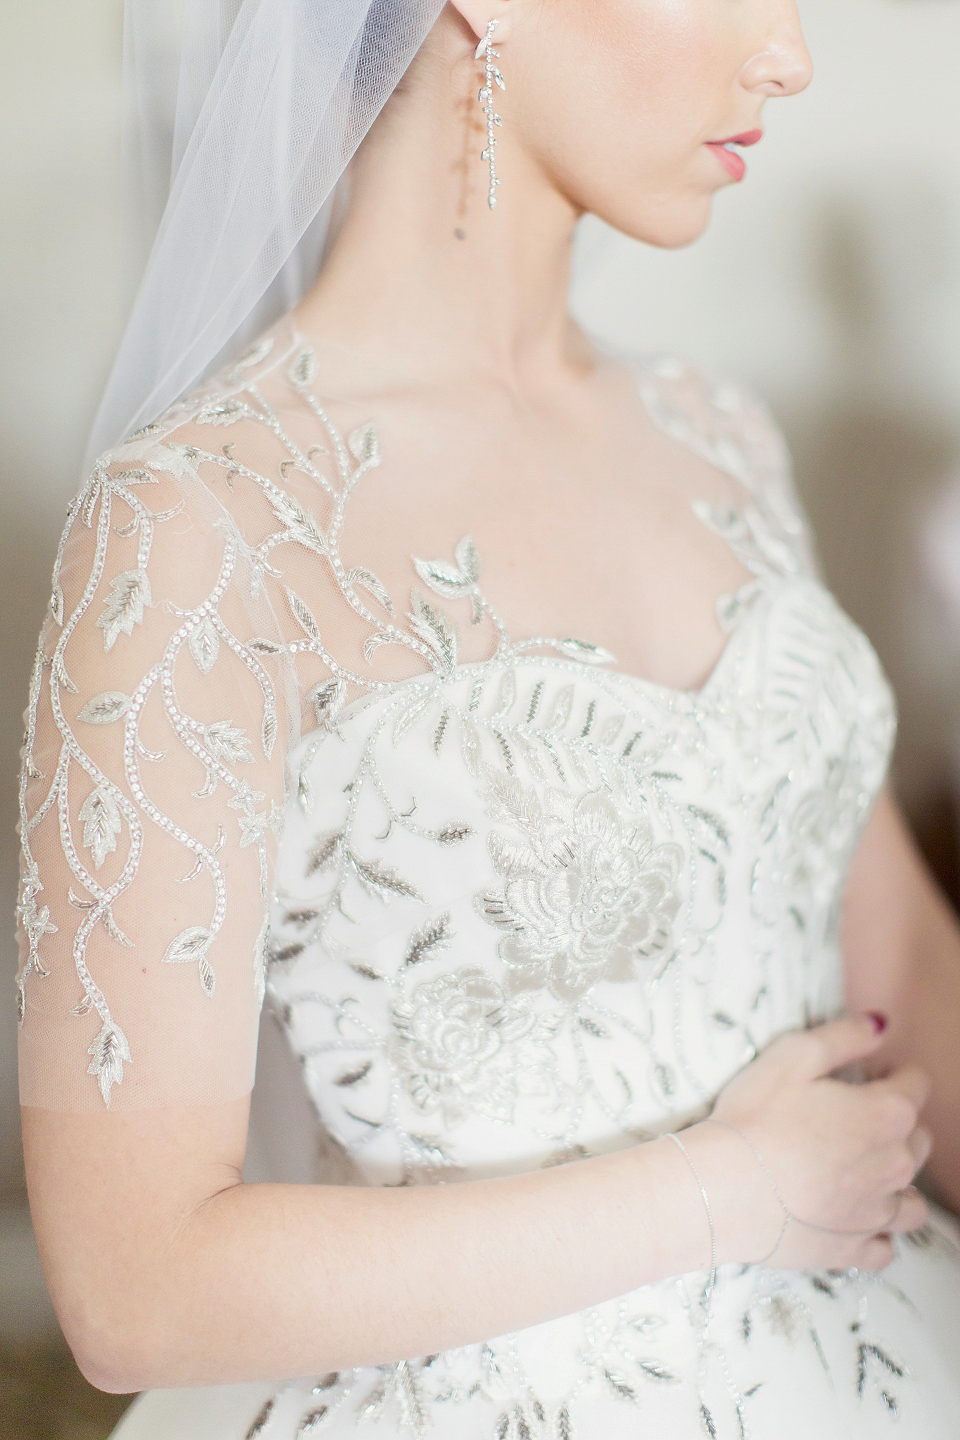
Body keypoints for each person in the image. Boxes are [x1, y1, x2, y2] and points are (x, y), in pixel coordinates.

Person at [16, 2, 960, 1436]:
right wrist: (729, 1191)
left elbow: (891, 953)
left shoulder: (719, 431)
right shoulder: (199, 525)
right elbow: (135, 1287)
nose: (789, 55)